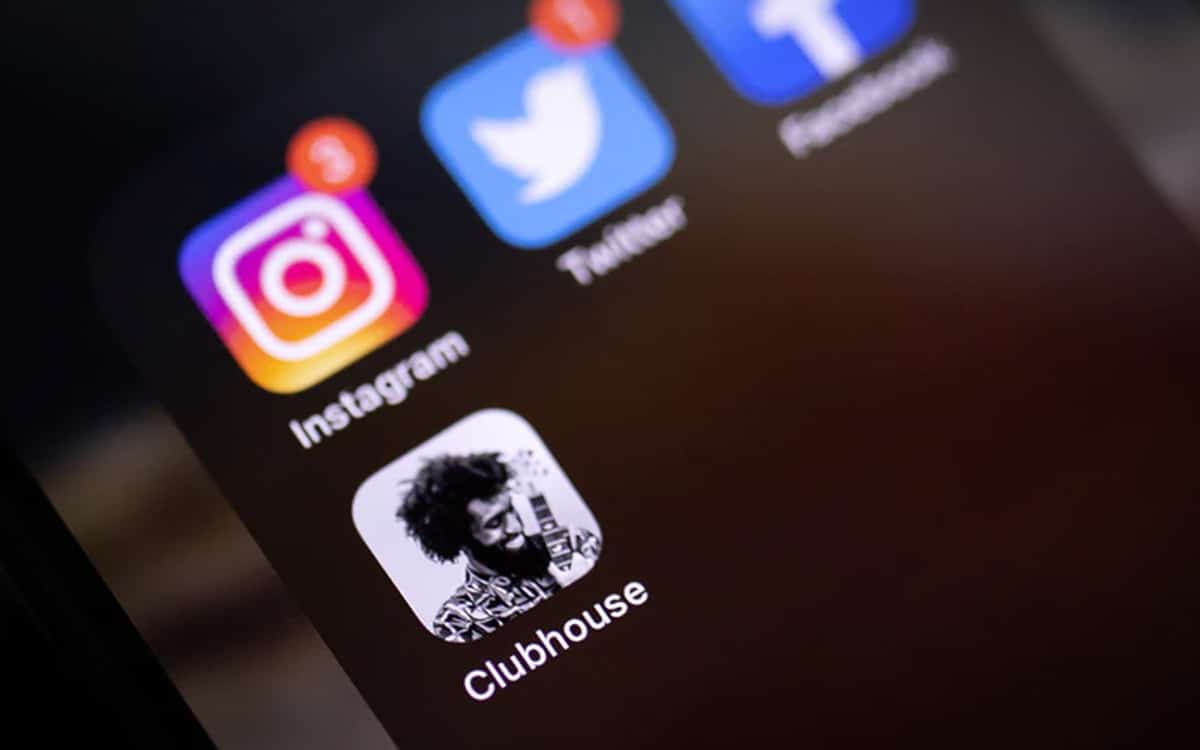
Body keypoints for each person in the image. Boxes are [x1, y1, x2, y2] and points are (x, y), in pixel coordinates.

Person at [398, 452, 600, 643]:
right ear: (458, 538)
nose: (515, 527)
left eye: (511, 509)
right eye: (494, 523)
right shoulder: (458, 621)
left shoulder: (575, 543)